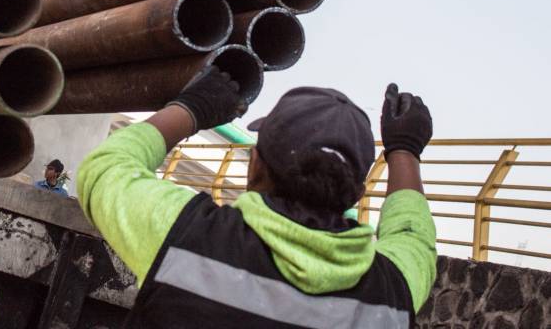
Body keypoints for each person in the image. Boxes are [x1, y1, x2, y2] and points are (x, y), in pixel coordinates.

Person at [78, 69, 436, 328]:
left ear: (254, 167)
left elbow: (106, 168)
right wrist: (404, 151)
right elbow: (412, 237)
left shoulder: (189, 239)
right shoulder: (390, 298)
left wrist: (193, 107)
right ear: (357, 194)